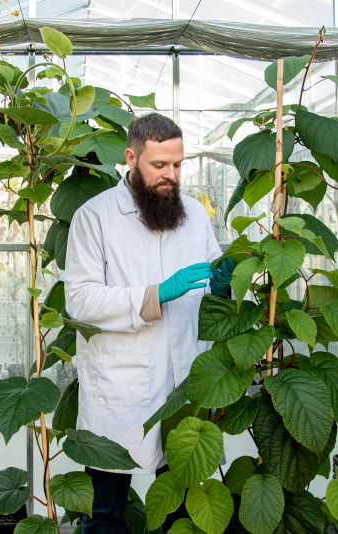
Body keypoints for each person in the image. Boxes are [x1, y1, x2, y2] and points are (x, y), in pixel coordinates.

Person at [63, 113, 234, 533]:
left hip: (182, 387)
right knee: (106, 517)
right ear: (131, 157)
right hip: (121, 390)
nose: (170, 176)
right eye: (159, 165)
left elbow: (210, 287)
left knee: (177, 510)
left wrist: (224, 290)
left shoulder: (194, 214)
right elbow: (80, 301)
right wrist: (154, 295)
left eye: (177, 165)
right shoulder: (95, 217)